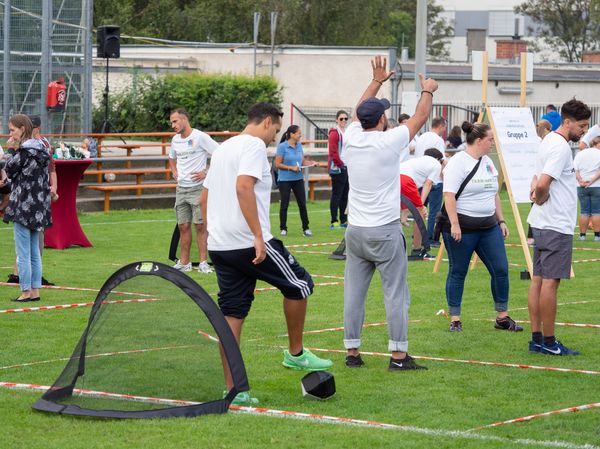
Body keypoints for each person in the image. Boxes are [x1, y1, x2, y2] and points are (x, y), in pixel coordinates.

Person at [202, 102, 332, 405]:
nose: (275, 135)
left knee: (232, 312)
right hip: (248, 241)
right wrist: (258, 236)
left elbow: (204, 196)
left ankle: (234, 391)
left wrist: (210, 234)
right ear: (266, 122)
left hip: (222, 246)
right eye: (275, 129)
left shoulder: (222, 149)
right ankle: (296, 354)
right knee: (300, 285)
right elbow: (243, 188)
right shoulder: (253, 146)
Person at [343, 55, 438, 371]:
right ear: (382, 119)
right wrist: (428, 90)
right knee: (396, 294)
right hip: (384, 230)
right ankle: (398, 356)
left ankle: (352, 352)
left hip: (355, 231)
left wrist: (376, 81)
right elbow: (420, 116)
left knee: (354, 295)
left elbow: (358, 111)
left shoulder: (351, 138)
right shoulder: (388, 141)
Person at [441, 121, 521, 333]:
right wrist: (455, 225)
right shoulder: (457, 163)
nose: (492, 143)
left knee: (501, 269)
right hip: (463, 228)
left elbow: (493, 193)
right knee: (458, 271)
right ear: (478, 141)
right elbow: (449, 196)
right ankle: (455, 319)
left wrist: (501, 220)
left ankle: (502, 317)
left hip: (488, 228)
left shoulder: (488, 162)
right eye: (490, 140)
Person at [527, 99, 591, 356]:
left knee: (538, 281)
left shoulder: (548, 141)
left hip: (542, 223)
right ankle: (549, 342)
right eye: (582, 126)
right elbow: (542, 183)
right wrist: (541, 197)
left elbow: (535, 178)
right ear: (567, 122)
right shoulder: (561, 147)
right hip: (555, 224)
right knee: (550, 283)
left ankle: (536, 340)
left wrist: (538, 196)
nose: (584, 131)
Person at [2, 114, 51, 302]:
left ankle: (25, 292)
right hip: (38, 207)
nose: (10, 133)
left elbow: (9, 169)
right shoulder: (42, 149)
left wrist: (11, 148)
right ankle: (35, 291)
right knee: (34, 252)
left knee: (23, 253)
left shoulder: (23, 152)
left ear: (22, 129)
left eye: (12, 130)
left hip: (23, 206)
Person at [168, 108, 218, 274]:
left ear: (184, 119)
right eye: (171, 122)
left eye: (175, 121)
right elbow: (171, 157)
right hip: (181, 189)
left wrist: (206, 172)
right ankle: (185, 263)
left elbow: (219, 153)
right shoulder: (175, 139)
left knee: (200, 226)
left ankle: (203, 262)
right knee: (183, 226)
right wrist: (174, 171)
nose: (173, 125)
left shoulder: (200, 136)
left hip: (198, 188)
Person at [399, 148, 444, 259]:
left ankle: (392, 244)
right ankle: (417, 250)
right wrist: (421, 205)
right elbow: (428, 184)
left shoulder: (416, 161)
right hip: (406, 180)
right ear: (438, 159)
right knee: (420, 214)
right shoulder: (436, 164)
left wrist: (405, 212)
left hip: (394, 178)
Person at [275, 125, 316, 237]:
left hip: (298, 179)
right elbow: (277, 164)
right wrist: (291, 168)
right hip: (284, 180)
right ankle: (283, 228)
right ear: (292, 134)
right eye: (299, 133)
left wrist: (312, 163)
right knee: (284, 204)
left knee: (302, 204)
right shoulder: (282, 147)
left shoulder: (299, 146)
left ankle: (306, 228)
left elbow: (303, 162)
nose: (300, 135)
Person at [415, 117, 447, 246]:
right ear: (440, 126)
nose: (444, 130)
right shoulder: (438, 140)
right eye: (444, 127)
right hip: (434, 179)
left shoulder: (422, 137)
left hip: (420, 178)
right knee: (434, 211)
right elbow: (441, 160)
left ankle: (418, 235)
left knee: (419, 209)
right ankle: (431, 238)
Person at [573, 136, 600, 241]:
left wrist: (580, 181)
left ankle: (582, 236)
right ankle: (597, 236)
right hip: (596, 186)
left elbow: (575, 170)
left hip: (581, 186)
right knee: (596, 211)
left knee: (584, 211)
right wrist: (591, 181)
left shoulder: (580, 154)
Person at [328, 110, 349, 229]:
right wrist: (341, 165)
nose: (344, 120)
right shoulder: (335, 133)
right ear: (337, 120)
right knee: (337, 195)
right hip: (338, 168)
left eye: (346, 118)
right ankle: (334, 221)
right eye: (341, 118)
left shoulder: (346, 132)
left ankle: (343, 220)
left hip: (347, 167)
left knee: (345, 195)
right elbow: (333, 152)